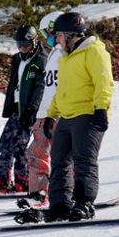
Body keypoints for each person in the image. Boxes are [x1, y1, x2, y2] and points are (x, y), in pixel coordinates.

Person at [44, 12, 114, 221]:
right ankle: (59, 205)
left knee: (84, 160)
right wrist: (51, 115)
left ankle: (84, 203)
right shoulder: (65, 58)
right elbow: (61, 90)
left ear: (70, 34)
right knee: (58, 161)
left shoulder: (94, 52)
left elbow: (104, 83)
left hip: (88, 114)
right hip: (66, 116)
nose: (56, 39)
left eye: (58, 35)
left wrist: (101, 109)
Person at [0, 24, 47, 194]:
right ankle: (2, 179)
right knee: (5, 142)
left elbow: (41, 86)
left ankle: (23, 179)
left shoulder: (41, 59)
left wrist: (32, 108)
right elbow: (14, 83)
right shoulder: (18, 59)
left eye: (25, 45)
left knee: (20, 145)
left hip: (29, 110)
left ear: (34, 41)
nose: (22, 48)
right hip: (16, 108)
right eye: (19, 45)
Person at [16, 11, 65, 209]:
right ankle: (38, 193)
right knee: (35, 154)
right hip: (44, 114)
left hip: (62, 113)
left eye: (47, 33)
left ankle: (74, 193)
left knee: (65, 156)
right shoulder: (54, 53)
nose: (47, 39)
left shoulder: (67, 53)